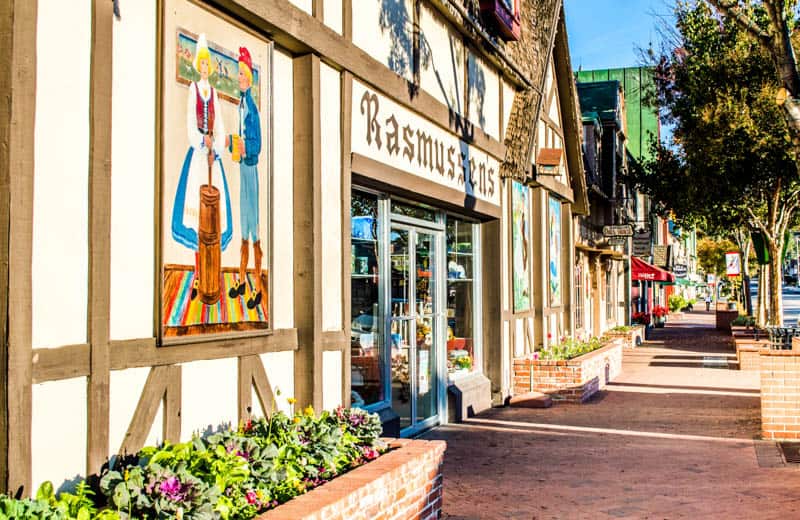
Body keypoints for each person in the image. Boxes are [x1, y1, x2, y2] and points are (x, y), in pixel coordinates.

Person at [171, 33, 233, 300]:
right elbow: (189, 124)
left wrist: (216, 147)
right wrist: (201, 142)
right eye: (203, 64)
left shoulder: (214, 93)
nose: (206, 68)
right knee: (199, 222)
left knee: (214, 222)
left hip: (211, 160)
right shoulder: (194, 90)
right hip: (198, 158)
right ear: (199, 66)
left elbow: (219, 125)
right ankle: (199, 275)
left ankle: (212, 273)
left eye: (209, 64)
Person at [226, 47, 264, 309]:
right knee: (243, 225)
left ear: (249, 78)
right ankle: (241, 278)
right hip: (242, 168)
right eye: (238, 73)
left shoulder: (251, 108)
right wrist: (232, 144)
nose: (239, 77)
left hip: (250, 170)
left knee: (253, 228)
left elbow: (257, 144)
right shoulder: (241, 104)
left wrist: (243, 148)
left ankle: (258, 285)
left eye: (242, 73)